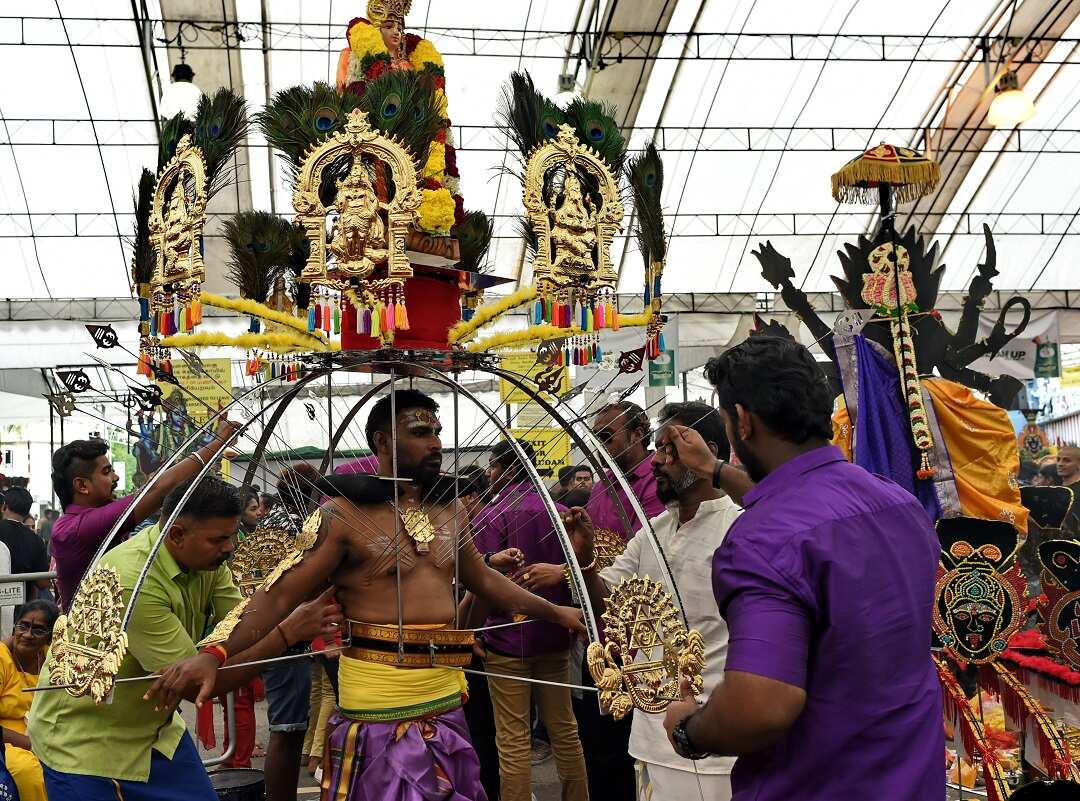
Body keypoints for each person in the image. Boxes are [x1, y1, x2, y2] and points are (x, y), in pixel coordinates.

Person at [144, 389, 585, 801]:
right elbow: (277, 597)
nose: (434, 443)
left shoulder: (450, 509)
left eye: (437, 433)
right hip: (378, 709)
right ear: (382, 440)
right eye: (419, 432)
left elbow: (485, 581)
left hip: (447, 697)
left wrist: (556, 612)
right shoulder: (340, 516)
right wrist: (215, 653)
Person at [660, 336, 943, 801]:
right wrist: (715, 471)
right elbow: (796, 507)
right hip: (911, 779)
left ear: (743, 422)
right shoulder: (898, 503)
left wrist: (690, 729)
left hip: (816, 784)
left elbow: (761, 706)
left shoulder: (760, 539)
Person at [28, 475, 341, 800]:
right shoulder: (134, 582)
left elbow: (241, 620)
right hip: (85, 743)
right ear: (176, 534)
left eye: (231, 537)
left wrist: (291, 611)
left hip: (154, 731)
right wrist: (287, 633)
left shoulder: (207, 560)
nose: (229, 548)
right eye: (218, 539)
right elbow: (198, 685)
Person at [568, 402, 740, 800]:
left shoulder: (738, 528)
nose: (657, 461)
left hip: (713, 744)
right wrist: (586, 562)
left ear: (706, 450)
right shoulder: (654, 531)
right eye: (657, 449)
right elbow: (607, 602)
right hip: (648, 736)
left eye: (668, 450)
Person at [471, 439, 588, 801]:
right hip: (555, 635)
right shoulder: (559, 510)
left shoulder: (492, 515)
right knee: (565, 731)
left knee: (512, 738)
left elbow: (481, 580)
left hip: (506, 640)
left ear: (504, 468)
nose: (489, 473)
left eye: (492, 465)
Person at [574, 400, 667, 800]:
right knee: (599, 744)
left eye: (607, 435)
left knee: (642, 746)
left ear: (637, 434)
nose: (600, 444)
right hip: (603, 634)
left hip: (647, 637)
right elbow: (594, 557)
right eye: (595, 436)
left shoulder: (656, 480)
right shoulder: (600, 488)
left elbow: (646, 556)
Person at [49, 419, 239, 610]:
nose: (116, 477)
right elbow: (157, 490)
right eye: (106, 472)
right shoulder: (75, 529)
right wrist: (219, 442)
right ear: (82, 485)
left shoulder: (87, 522)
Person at [0, 599, 60, 801]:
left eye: (38, 630)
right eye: (23, 626)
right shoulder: (2, 658)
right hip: (8, 741)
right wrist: (30, 743)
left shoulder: (51, 659)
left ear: (49, 637)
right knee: (30, 772)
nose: (27, 634)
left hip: (46, 736)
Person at [0, 487, 50, 603]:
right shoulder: (36, 540)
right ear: (27, 512)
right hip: (20, 608)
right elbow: (42, 583)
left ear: (4, 506)